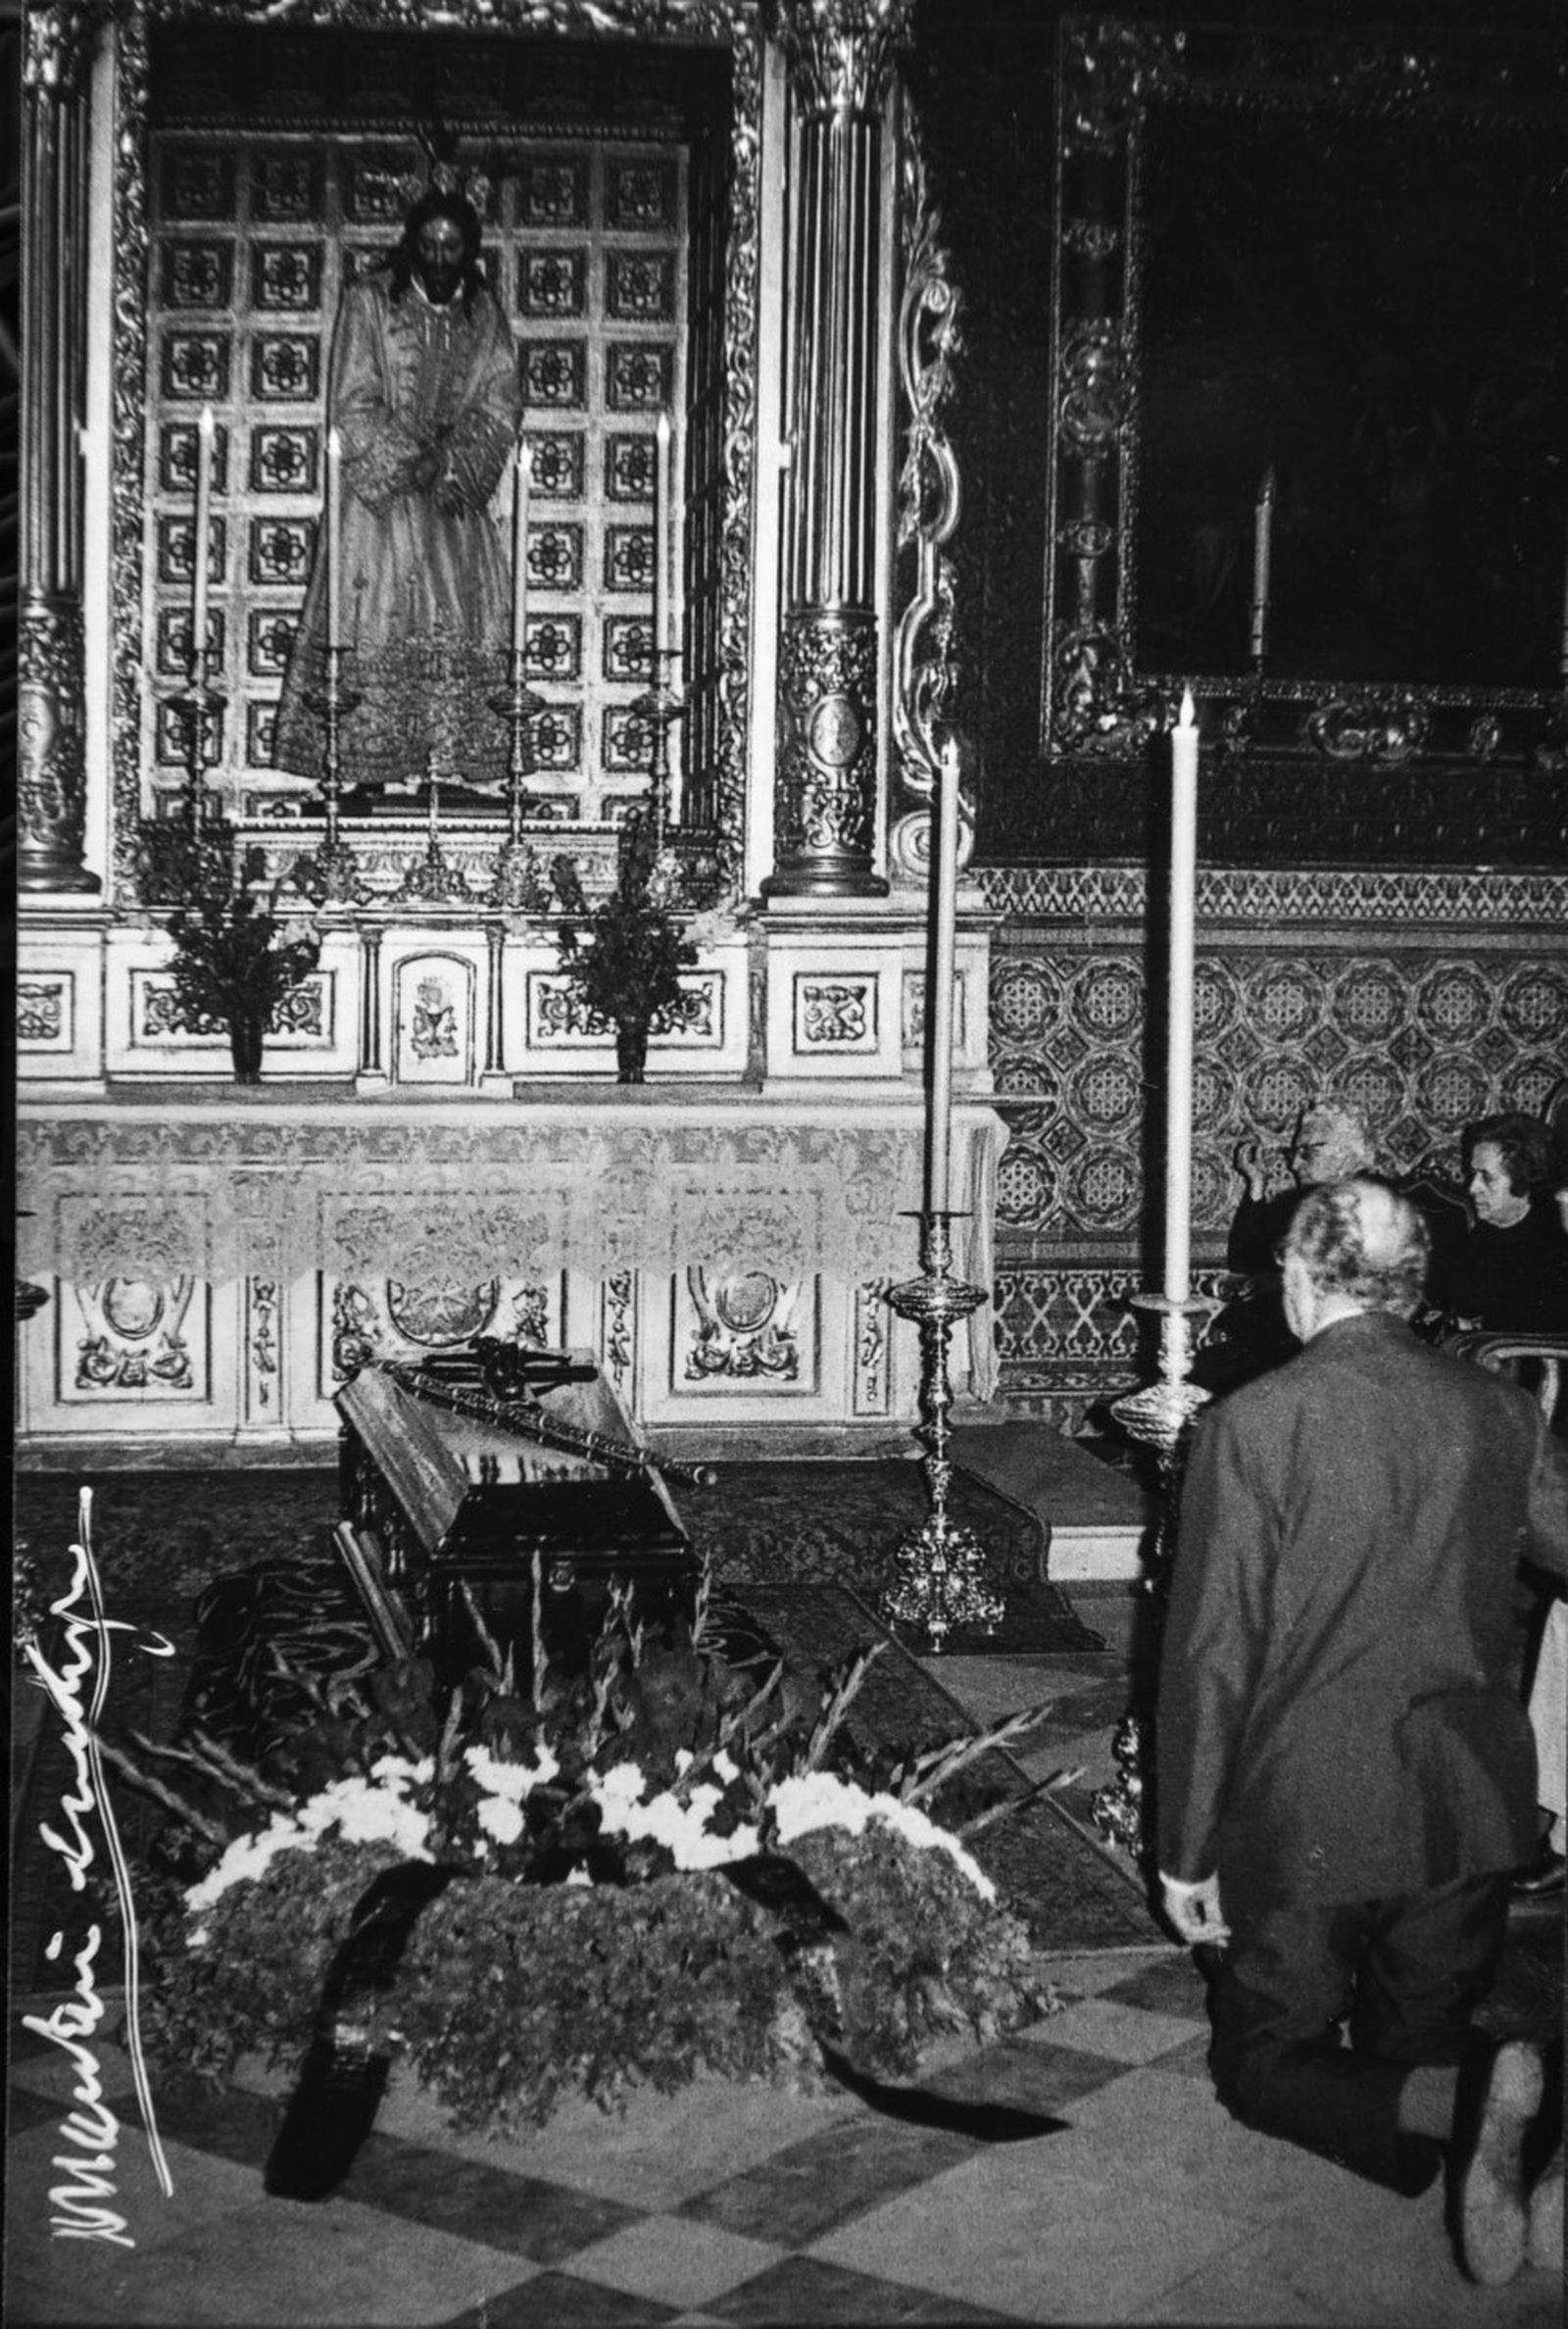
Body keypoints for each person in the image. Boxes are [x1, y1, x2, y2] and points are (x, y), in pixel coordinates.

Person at [1156, 1178, 1568, 2284]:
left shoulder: (1252, 1422)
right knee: (1409, 2048)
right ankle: (1514, 2116)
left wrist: (1186, 1848)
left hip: (1311, 1811)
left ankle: (1474, 2103)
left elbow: (1211, 1653)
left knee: (1268, 2065)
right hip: (1469, 1802)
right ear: (1410, 1286)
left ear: (1296, 1278)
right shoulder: (1503, 1412)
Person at [273, 181, 522, 794]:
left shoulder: (484, 314)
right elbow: (353, 397)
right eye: (430, 245)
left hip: (452, 500)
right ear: (411, 245)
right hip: (378, 505)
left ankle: (443, 764)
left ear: (469, 250)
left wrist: (450, 462)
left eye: (452, 247)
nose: (440, 260)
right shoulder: (369, 301)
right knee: (374, 620)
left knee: (455, 619)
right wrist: (405, 458)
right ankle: (362, 768)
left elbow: (500, 403)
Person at [1197, 1101, 1464, 1391]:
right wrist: (1256, 1188)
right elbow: (1245, 1262)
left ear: (1344, 1154)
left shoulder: (1371, 1207)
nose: (1293, 1163)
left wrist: (1277, 1282)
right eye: (1293, 1152)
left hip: (1346, 1351)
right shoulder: (1316, 1205)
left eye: (1306, 1152)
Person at [1448, 1112, 1568, 1336]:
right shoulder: (1481, 1236)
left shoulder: (1555, 1244)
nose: (1473, 1188)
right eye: (1473, 1175)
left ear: (1524, 1178)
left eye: (1487, 1177)